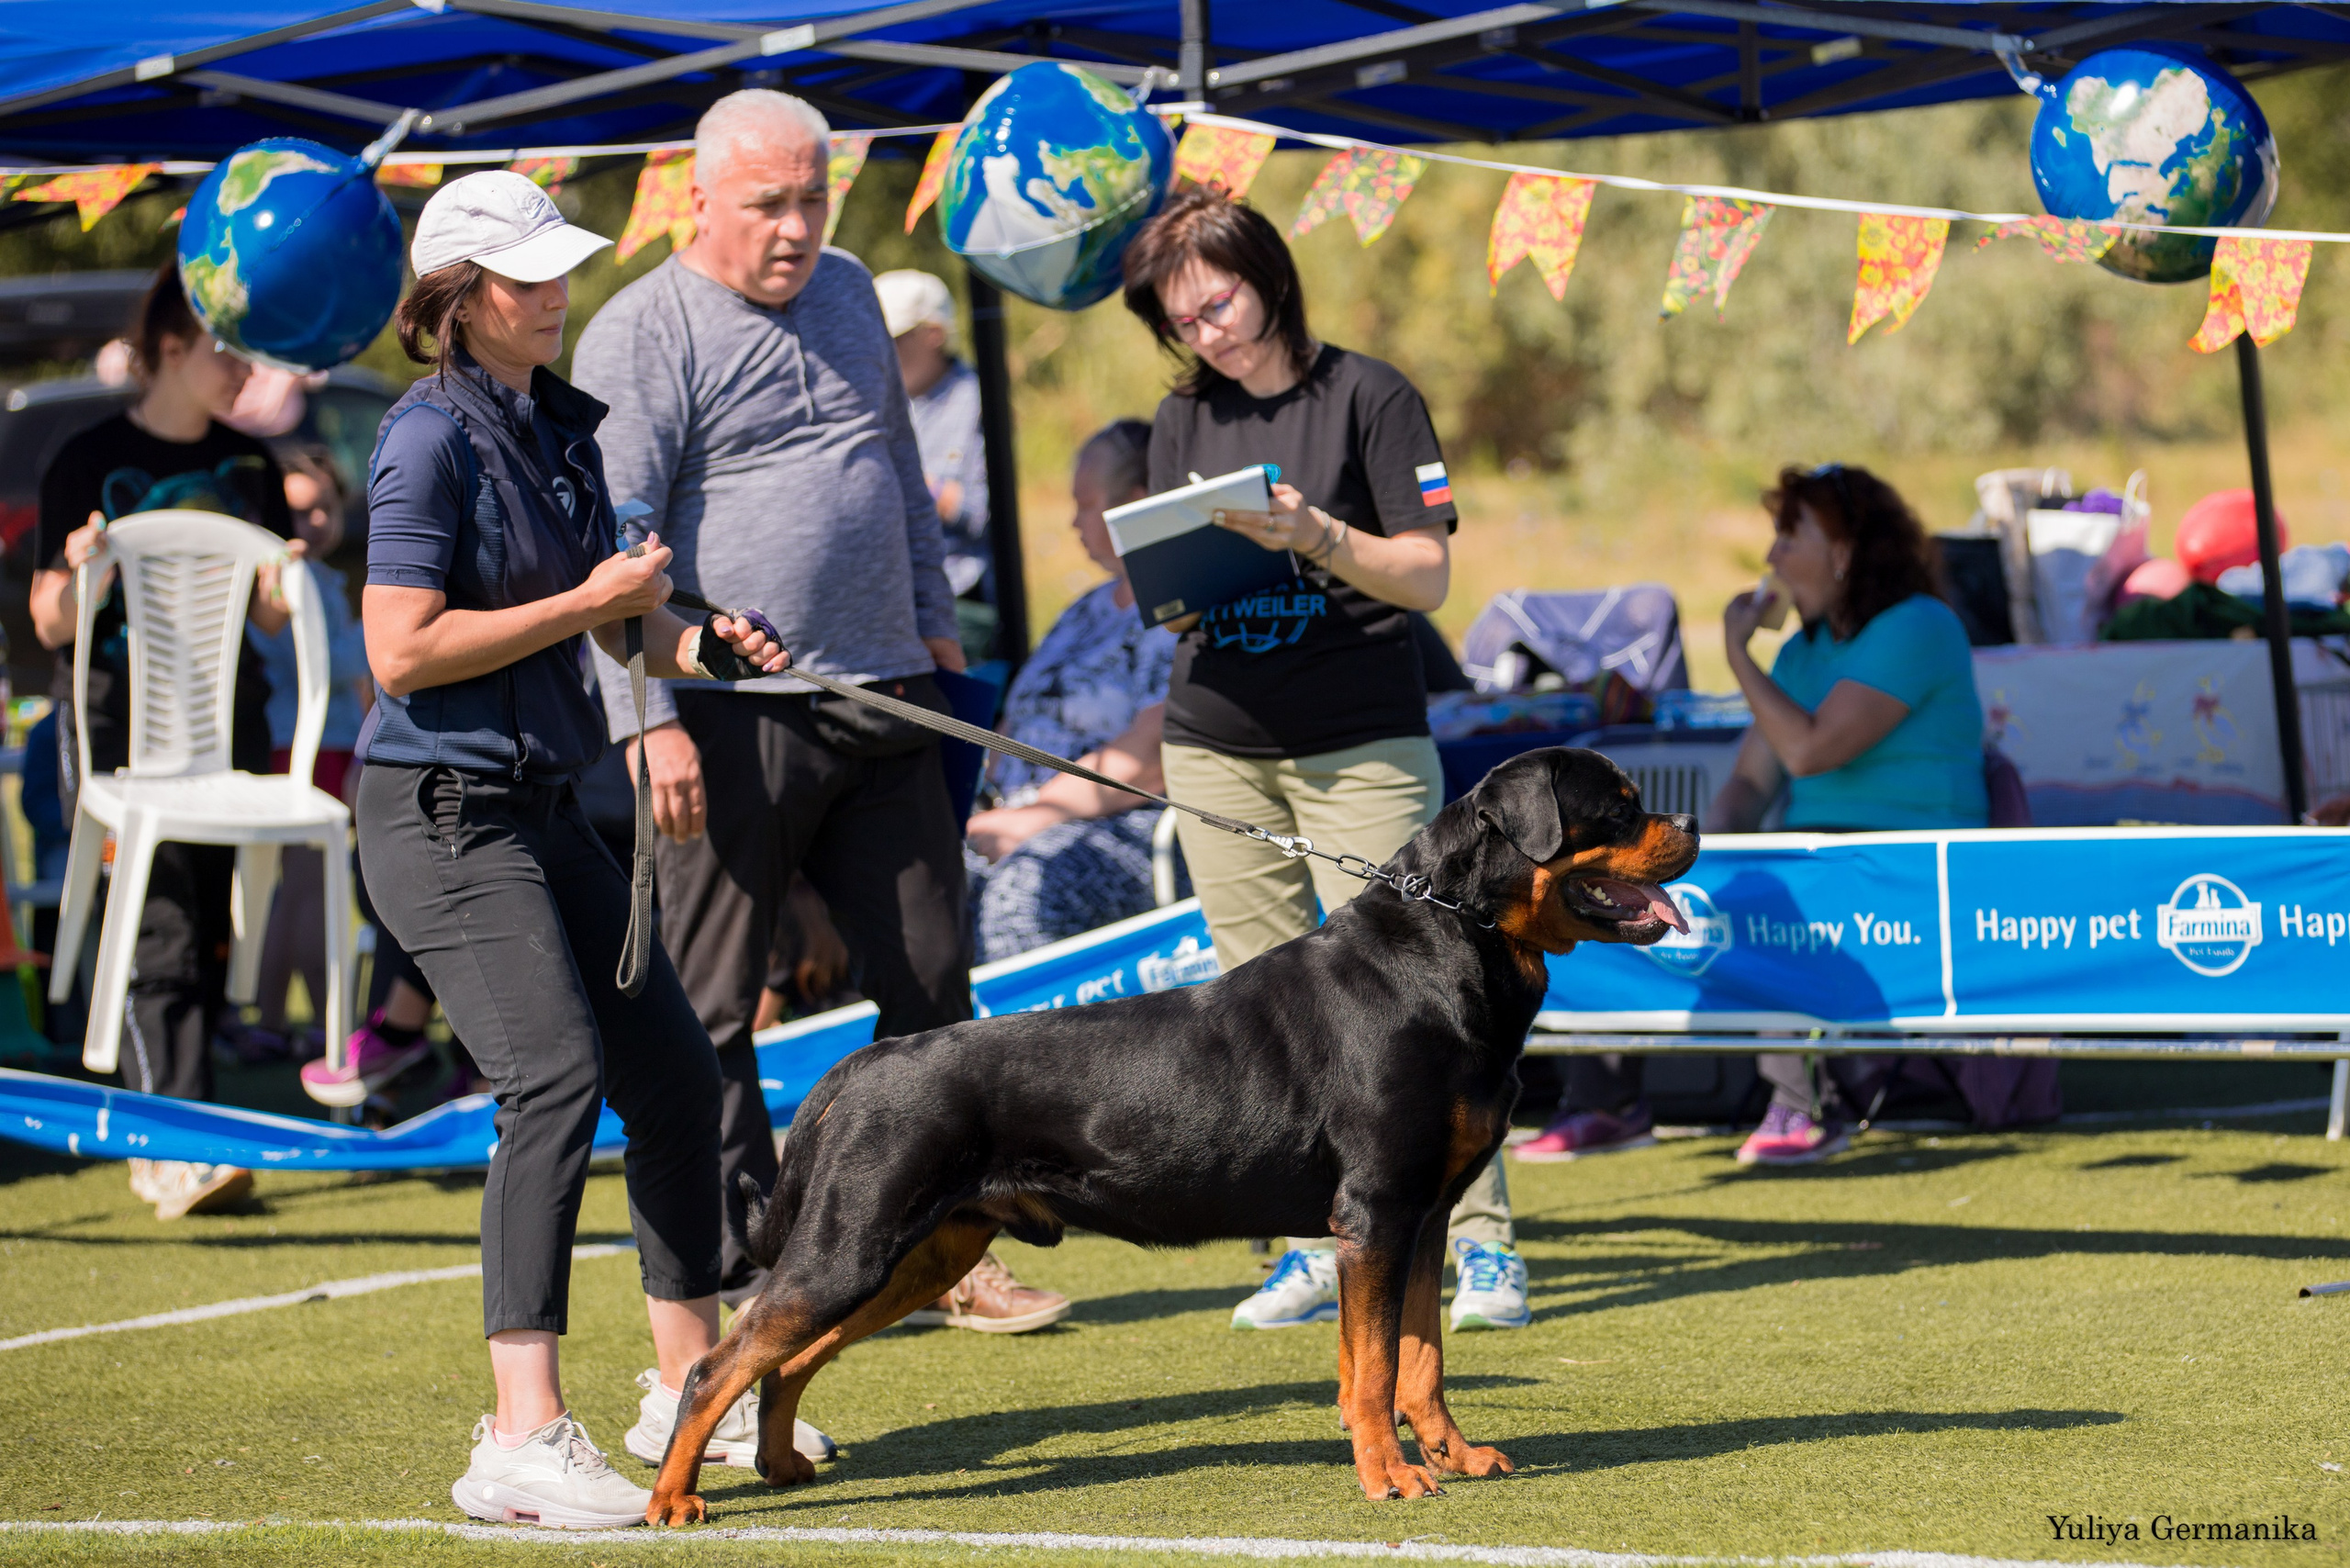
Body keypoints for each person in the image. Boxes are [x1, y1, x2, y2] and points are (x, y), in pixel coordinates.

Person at [354, 170, 817, 1529]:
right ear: (455, 300)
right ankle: (519, 1435)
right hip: (441, 816)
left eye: (559, 268)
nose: (552, 293)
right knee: (552, 1080)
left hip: (549, 806)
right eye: (522, 276)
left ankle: (690, 1389)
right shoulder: (421, 439)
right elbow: (401, 653)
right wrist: (590, 603)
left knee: (674, 1082)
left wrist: (699, 644)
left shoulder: (559, 429)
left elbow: (621, 629)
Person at [571, 89, 1060, 1335]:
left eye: (814, 200)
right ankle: (745, 1270)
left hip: (886, 686)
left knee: (936, 987)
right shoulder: (640, 334)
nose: (796, 229)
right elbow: (612, 558)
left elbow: (893, 466)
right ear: (697, 198)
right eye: (766, 206)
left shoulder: (848, 288)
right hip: (720, 711)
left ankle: (943, 1256)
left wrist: (933, 627)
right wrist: (647, 719)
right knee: (716, 1010)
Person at [1119, 185, 1527, 1335]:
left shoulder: (1369, 394)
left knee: (1436, 997)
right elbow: (1168, 577)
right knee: (1265, 1009)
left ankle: (1483, 1247)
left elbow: (1427, 574)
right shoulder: (1181, 418)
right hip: (1215, 737)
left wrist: (1317, 536)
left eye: (1221, 300)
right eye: (1182, 320)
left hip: (1362, 741)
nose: (1209, 330)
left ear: (1269, 275)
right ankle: (1313, 1245)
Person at [29, 260, 302, 1221]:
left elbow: (272, 620)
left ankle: (187, 1128)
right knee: (155, 924)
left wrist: (287, 583)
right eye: (228, 347)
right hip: (115, 722)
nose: (243, 369)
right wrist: (77, 571)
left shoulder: (252, 466)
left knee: (209, 929)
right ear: (171, 347)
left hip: (229, 718)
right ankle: (167, 1145)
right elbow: (50, 623)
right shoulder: (85, 457)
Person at [1710, 462, 1988, 1166]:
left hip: (1912, 864)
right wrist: (1687, 858)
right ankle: (1605, 1104)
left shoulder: (1919, 626)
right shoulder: (1803, 654)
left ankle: (1801, 1108)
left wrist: (1738, 655)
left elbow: (1806, 754)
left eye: (1788, 535)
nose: (1771, 556)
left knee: (1782, 894)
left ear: (1844, 552)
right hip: (1825, 853)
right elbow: (1750, 782)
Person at [964, 420, 1182, 962]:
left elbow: (1154, 754)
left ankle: (1023, 1049)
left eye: (1085, 504)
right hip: (1016, 811)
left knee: (1025, 892)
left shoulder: (1177, 613)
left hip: (1121, 824)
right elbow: (1020, 716)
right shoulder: (1083, 612)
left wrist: (1038, 815)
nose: (1073, 521)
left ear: (1135, 504)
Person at [874, 268, 994, 666]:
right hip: (889, 597)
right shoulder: (876, 402)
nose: (882, 352)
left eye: (895, 339)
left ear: (934, 335)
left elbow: (978, 514)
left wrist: (902, 478)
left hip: (961, 598)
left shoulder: (977, 402)